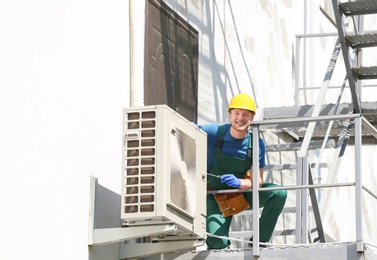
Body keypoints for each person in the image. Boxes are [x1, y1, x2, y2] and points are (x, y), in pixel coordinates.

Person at [199, 93, 287, 249]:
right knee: (216, 241)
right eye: (237, 113)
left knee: (278, 193)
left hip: (240, 192)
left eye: (246, 114)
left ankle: (259, 242)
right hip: (214, 195)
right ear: (230, 115)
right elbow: (186, 129)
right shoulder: (214, 133)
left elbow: (257, 181)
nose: (240, 118)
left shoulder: (255, 144)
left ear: (252, 118)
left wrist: (239, 182)